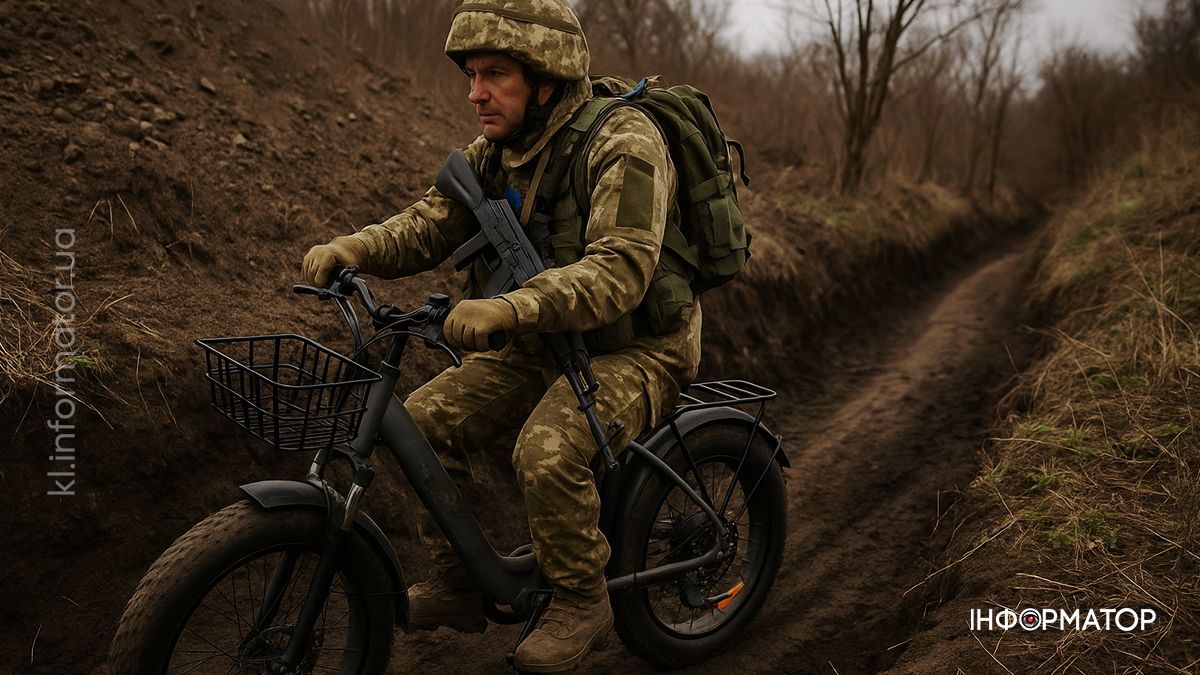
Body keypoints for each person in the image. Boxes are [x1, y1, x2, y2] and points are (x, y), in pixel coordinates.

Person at [301, 0, 700, 670]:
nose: (474, 92)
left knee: (546, 450)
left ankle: (581, 597)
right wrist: (356, 246)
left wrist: (512, 307)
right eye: (471, 73)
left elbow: (620, 270)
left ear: (544, 82)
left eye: (494, 75)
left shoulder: (623, 141)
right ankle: (462, 580)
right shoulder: (496, 152)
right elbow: (430, 224)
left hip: (639, 346)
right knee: (423, 421)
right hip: (547, 338)